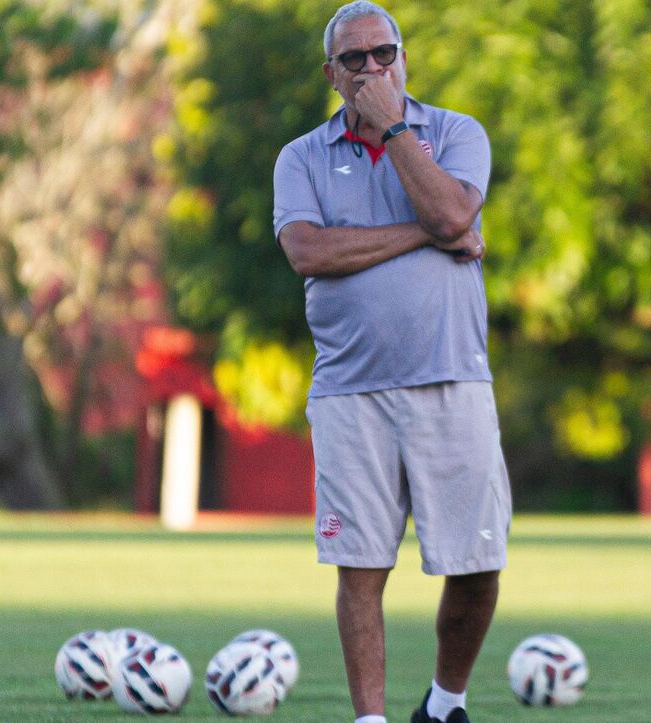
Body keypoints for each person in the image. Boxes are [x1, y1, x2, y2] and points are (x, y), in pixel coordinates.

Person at [272, 2, 512, 722]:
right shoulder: (302, 156)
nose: (373, 68)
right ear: (331, 75)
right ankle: (370, 719)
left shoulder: (456, 133)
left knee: (477, 565)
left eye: (385, 53)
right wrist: (429, 233)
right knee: (361, 567)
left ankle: (444, 704)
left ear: (405, 56)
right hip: (351, 391)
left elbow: (450, 215)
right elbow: (308, 252)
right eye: (355, 60)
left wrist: (398, 129)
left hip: (453, 378)